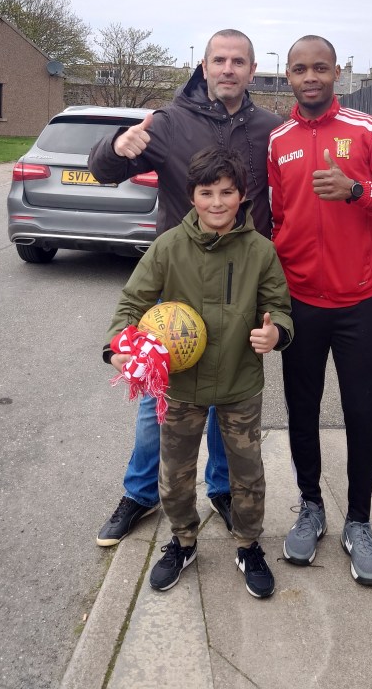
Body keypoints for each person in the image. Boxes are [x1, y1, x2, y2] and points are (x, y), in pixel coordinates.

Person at [89, 29, 280, 546]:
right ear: (204, 65)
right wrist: (116, 146)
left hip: (240, 281)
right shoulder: (170, 123)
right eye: (219, 59)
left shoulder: (270, 129)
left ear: (252, 69)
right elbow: (103, 170)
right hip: (178, 282)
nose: (228, 69)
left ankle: (222, 489)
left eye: (238, 61)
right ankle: (141, 492)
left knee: (228, 394)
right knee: (162, 397)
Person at [103, 147, 293, 598]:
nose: (217, 202)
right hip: (181, 386)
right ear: (191, 196)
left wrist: (276, 334)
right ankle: (183, 541)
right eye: (207, 193)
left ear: (242, 195)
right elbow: (131, 303)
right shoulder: (168, 247)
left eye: (226, 192)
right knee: (175, 473)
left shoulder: (261, 251)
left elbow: (279, 307)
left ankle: (248, 545)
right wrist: (117, 347)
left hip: (239, 383)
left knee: (247, 474)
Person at [267, 35, 372, 586]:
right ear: (287, 76)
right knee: (301, 412)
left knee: (360, 413)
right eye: (299, 68)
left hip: (359, 303)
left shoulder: (368, 130)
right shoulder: (277, 140)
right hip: (300, 303)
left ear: (336, 73)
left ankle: (359, 521)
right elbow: (276, 221)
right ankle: (311, 508)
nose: (310, 77)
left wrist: (358, 191)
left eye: (320, 68)